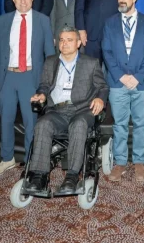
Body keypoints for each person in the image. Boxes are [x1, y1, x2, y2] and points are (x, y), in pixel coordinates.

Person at [23, 27, 108, 195]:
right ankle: (39, 175)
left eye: (69, 40)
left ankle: (72, 175)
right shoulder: (50, 62)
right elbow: (44, 85)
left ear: (78, 43)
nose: (65, 43)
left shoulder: (90, 63)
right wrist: (41, 94)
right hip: (58, 110)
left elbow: (103, 87)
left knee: (79, 124)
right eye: (62, 40)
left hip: (82, 109)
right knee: (43, 124)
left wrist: (100, 98)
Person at [0, 0, 55, 177]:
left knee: (31, 121)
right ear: (13, 0)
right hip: (7, 77)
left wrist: (47, 82)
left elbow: (50, 54)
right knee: (6, 120)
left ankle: (31, 160)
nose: (23, 1)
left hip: (31, 77)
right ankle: (7, 158)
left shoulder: (43, 20)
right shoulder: (3, 20)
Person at [102, 0, 144, 183]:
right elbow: (106, 51)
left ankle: (139, 162)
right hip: (118, 83)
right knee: (119, 125)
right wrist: (121, 76)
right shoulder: (110, 23)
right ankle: (121, 162)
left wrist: (139, 76)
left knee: (141, 123)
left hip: (141, 83)